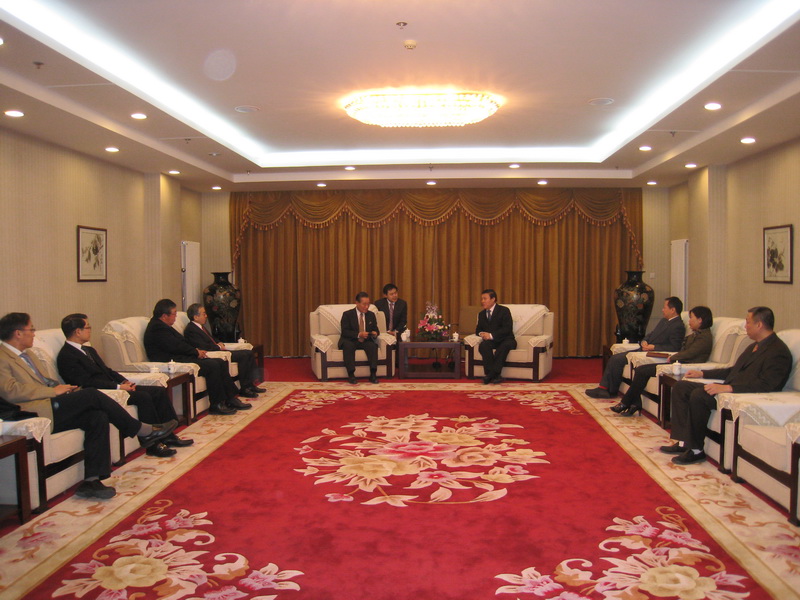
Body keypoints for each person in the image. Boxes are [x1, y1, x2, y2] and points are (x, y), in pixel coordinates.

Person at [0, 312, 177, 499]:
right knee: (91, 394)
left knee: (97, 416)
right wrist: (53, 391)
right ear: (18, 333)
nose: (34, 333)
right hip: (34, 410)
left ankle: (92, 481)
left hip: (51, 402)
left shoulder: (28, 355)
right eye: (31, 329)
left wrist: (63, 388)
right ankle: (141, 429)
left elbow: (45, 381)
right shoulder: (3, 358)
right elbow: (10, 390)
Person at [660, 306, 792, 465]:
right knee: (681, 387)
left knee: (698, 395)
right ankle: (683, 443)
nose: (745, 326)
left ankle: (696, 450)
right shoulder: (754, 346)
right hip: (728, 389)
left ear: (759, 325)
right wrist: (702, 373)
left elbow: (768, 385)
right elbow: (732, 370)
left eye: (748, 322)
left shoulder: (778, 351)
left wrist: (729, 388)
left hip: (740, 394)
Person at [57, 313, 193, 457]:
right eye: (88, 327)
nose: (90, 330)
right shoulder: (67, 356)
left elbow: (107, 370)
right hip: (102, 393)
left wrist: (123, 381)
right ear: (78, 331)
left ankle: (169, 436)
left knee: (158, 391)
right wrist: (118, 387)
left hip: (116, 386)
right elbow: (86, 382)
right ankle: (153, 444)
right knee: (143, 397)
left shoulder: (88, 350)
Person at [143, 299, 249, 415]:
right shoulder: (157, 328)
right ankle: (216, 404)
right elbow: (176, 346)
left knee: (220, 362)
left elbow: (181, 343)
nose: (175, 317)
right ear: (164, 316)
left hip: (181, 357)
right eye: (174, 314)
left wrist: (196, 350)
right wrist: (195, 352)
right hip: (172, 361)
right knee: (213, 365)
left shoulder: (163, 325)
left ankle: (230, 398)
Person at [613, 306, 714, 417]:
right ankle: (634, 403)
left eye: (691, 318)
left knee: (642, 371)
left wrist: (673, 357)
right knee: (640, 369)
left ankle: (626, 403)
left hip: (685, 366)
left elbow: (690, 353)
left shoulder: (704, 338)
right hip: (677, 363)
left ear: (700, 320)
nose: (689, 321)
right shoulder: (694, 335)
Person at [586, 297, 685, 399]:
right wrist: (644, 341)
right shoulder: (664, 321)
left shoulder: (678, 326)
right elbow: (651, 334)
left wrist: (653, 347)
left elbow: (675, 347)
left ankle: (609, 390)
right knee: (615, 358)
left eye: (664, 308)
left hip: (652, 354)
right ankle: (604, 388)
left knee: (617, 359)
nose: (662, 310)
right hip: (644, 350)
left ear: (672, 310)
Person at [184, 304, 261, 399]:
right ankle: (245, 388)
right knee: (243, 356)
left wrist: (218, 342)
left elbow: (211, 339)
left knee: (248, 352)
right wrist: (218, 346)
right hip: (213, 353)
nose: (206, 316)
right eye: (204, 314)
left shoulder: (200, 327)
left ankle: (250, 385)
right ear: (196, 317)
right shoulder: (191, 330)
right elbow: (202, 346)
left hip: (218, 350)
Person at [476, 289, 516, 385]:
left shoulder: (504, 311)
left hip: (506, 339)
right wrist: (482, 334)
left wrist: (491, 335)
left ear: (493, 299)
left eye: (485, 299)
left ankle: (490, 375)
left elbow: (507, 329)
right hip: (492, 342)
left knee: (502, 347)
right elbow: (478, 330)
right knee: (483, 346)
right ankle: (495, 376)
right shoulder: (481, 314)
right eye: (482, 299)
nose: (482, 301)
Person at [339, 292, 380, 384]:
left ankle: (373, 374)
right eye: (364, 304)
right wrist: (358, 334)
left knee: (373, 346)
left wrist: (375, 333)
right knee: (348, 346)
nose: (366, 307)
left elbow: (376, 329)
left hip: (365, 340)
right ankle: (351, 375)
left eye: (368, 304)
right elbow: (345, 331)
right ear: (357, 303)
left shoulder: (371, 315)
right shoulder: (347, 314)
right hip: (351, 340)